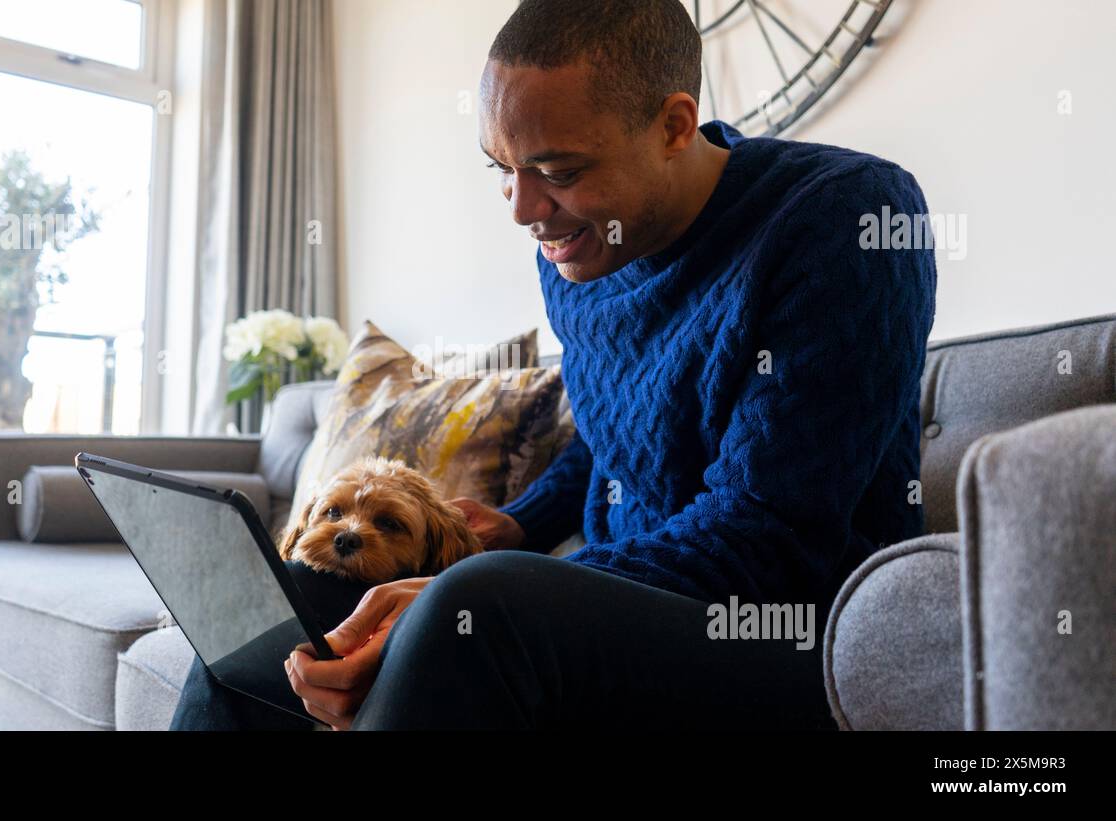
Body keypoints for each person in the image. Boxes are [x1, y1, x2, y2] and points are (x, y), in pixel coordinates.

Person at [169, 0, 936, 731]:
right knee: (286, 605)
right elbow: (619, 432)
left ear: (674, 125)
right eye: (500, 168)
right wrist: (520, 522)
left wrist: (466, 589)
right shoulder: (577, 245)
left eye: (557, 171)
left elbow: (767, 537)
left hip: (791, 631)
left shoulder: (847, 220)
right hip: (623, 601)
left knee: (476, 608)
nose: (522, 209)